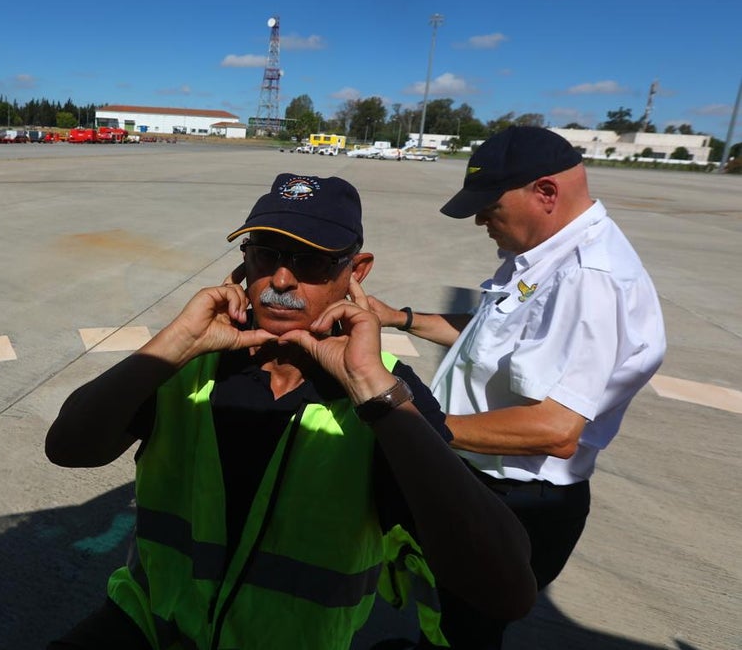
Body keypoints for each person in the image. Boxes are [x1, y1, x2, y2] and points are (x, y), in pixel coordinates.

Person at [45, 173, 536, 649]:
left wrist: (370, 386)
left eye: (312, 262)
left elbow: (504, 590)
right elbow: (68, 448)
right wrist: (175, 343)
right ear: (243, 264)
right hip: (150, 624)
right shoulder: (188, 366)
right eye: (266, 255)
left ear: (356, 271)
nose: (281, 278)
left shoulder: (387, 393)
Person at [367, 127, 667, 648]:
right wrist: (402, 317)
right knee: (443, 612)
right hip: (487, 482)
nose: (481, 219)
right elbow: (493, 334)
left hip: (515, 499)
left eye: (489, 205)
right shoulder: (547, 255)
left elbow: (555, 430)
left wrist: (415, 430)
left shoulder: (587, 278)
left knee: (465, 628)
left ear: (545, 193)